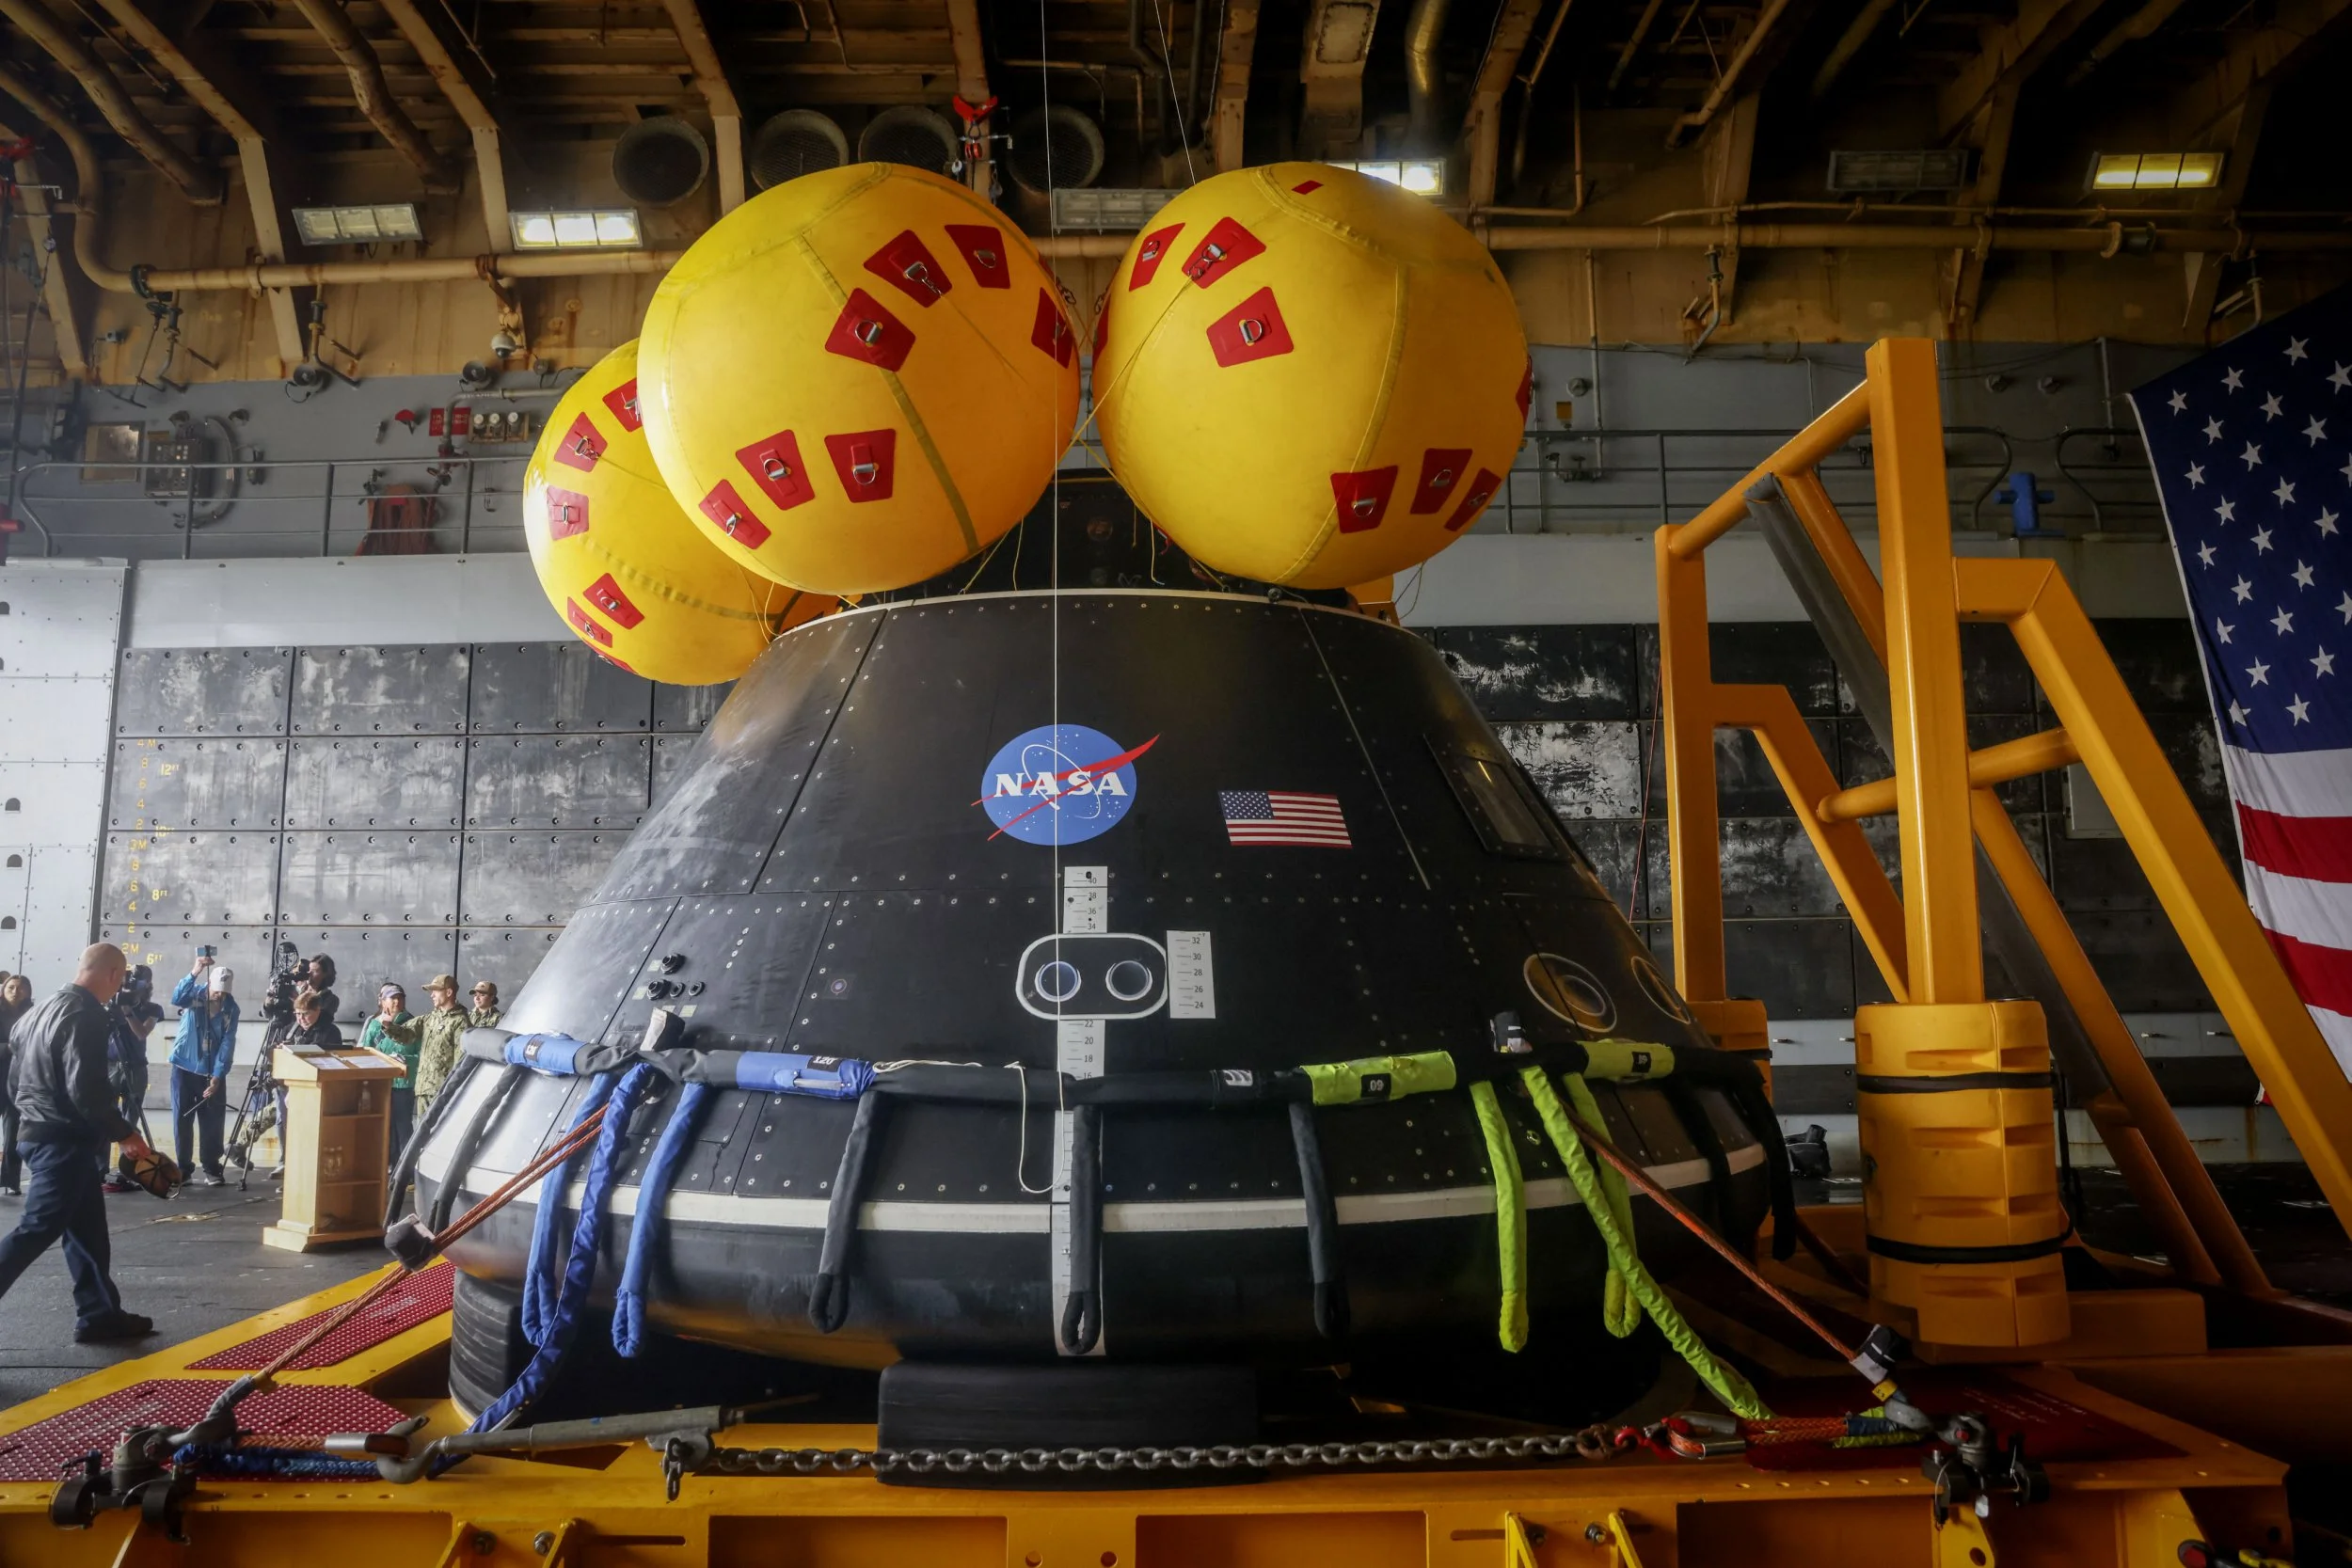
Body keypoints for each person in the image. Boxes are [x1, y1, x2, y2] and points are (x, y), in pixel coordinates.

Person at [0, 943, 158, 1341]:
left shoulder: (37, 1011)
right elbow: (86, 1090)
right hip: (63, 1140)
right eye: (121, 979)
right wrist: (124, 1132)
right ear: (112, 975)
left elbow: (14, 1082)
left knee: (87, 1230)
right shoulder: (85, 1015)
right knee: (36, 1229)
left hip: (37, 1133)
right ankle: (99, 1314)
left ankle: (100, 1314)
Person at [167, 958, 240, 1187]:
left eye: (224, 992)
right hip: (184, 1066)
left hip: (212, 1070)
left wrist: (218, 1075)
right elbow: (176, 998)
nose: (219, 996)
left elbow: (228, 1043)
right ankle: (184, 1169)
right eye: (217, 990)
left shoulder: (231, 1009)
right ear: (209, 983)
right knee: (182, 1118)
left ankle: (211, 1167)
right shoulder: (194, 996)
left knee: (213, 1119)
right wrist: (195, 970)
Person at [100, 1000, 164, 1194]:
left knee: (131, 1119)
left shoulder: (152, 1008)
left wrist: (128, 1012)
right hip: (110, 1064)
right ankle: (99, 1172)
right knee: (103, 1117)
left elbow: (141, 1034)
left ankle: (128, 1171)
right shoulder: (108, 1007)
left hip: (135, 1067)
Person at [358, 984, 422, 1164]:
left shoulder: (413, 1023)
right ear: (383, 1001)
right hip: (380, 1084)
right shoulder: (374, 1024)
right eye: (392, 998)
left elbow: (421, 1054)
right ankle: (385, 1165)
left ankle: (405, 1169)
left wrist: (405, 1060)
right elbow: (365, 1051)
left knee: (403, 1127)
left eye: (400, 998)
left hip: (403, 1084)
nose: (396, 1001)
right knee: (383, 1126)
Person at [413, 974, 469, 1113]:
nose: (432, 995)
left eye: (435, 991)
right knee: (421, 1132)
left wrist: (451, 1091)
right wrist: (389, 1027)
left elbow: (461, 1063)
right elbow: (407, 1032)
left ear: (449, 992)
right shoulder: (432, 1017)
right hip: (424, 1089)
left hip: (441, 1092)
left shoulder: (460, 1022)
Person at [0, 971, 28, 1196]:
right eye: (11, 987)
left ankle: (10, 1181)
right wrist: (8, 1047)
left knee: (13, 1134)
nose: (15, 992)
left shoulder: (32, 1014)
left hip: (18, 1080)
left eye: (20, 988)